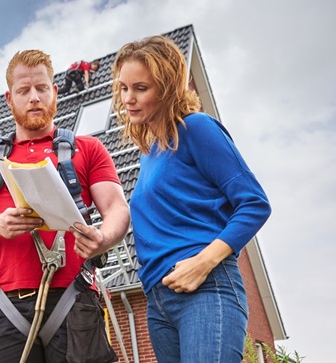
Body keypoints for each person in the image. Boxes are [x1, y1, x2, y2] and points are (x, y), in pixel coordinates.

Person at [0, 49, 130, 363]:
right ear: (9, 98)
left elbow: (117, 209)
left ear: (55, 92)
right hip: (6, 308)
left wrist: (104, 237)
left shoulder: (87, 149)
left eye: (42, 88)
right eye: (24, 90)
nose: (34, 97)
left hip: (74, 302)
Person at [112, 35, 271, 362]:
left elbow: (254, 203)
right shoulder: (151, 153)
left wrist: (203, 262)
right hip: (157, 301)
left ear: (168, 87)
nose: (128, 99)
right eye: (123, 88)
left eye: (141, 88)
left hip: (206, 288)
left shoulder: (195, 128)